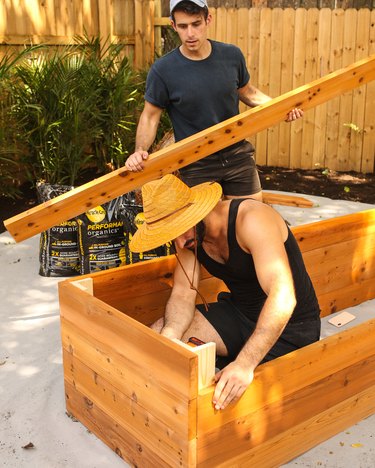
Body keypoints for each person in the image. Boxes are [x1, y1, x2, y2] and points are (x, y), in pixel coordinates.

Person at [129, 174, 321, 410]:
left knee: (222, 397)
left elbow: (283, 297)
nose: (179, 243)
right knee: (158, 336)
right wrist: (170, 337)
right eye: (171, 235)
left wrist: (244, 364)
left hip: (291, 327)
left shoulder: (251, 219)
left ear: (195, 212)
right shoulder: (187, 238)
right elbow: (182, 293)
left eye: (180, 230)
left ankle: (235, 359)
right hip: (240, 315)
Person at [125, 0, 303, 201]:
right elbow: (150, 117)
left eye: (196, 24)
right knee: (209, 229)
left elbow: (248, 92)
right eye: (183, 26)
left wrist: (282, 107)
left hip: (237, 155)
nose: (190, 33)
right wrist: (140, 151)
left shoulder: (231, 56)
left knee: (251, 217)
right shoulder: (163, 70)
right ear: (173, 25)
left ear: (208, 19)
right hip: (195, 163)